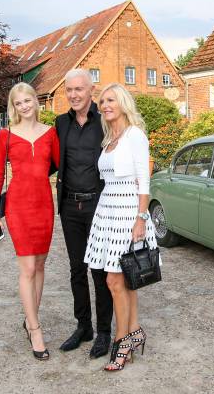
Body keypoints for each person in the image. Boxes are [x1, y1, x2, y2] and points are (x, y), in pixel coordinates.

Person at [83, 83, 158, 372]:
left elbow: (144, 179)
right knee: (124, 279)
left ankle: (122, 341)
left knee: (115, 281)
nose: (104, 105)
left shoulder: (134, 135)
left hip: (128, 212)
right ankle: (135, 330)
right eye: (102, 101)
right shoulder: (109, 138)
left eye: (110, 100)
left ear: (123, 103)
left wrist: (141, 218)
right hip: (107, 211)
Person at [0, 82, 60, 360]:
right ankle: (35, 328)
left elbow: (58, 165)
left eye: (27, 100)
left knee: (41, 264)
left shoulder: (51, 133)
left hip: (44, 203)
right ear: (14, 107)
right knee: (28, 267)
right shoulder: (5, 135)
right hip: (18, 206)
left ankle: (31, 318)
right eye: (18, 103)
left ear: (35, 101)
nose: (24, 106)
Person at [54, 69, 113, 358]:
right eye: (69, 90)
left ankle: (104, 332)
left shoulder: (105, 121)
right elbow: (51, 162)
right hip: (69, 207)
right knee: (77, 269)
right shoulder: (60, 123)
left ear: (92, 90)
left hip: (99, 206)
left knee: (100, 271)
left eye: (79, 89)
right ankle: (83, 327)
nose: (74, 95)